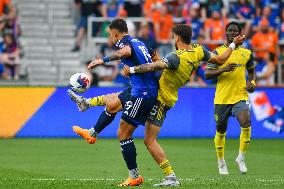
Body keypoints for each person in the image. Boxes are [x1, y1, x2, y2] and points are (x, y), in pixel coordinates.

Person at [68, 23, 245, 186]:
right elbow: (221, 59)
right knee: (115, 101)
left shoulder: (175, 57)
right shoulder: (199, 50)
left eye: (171, 36)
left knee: (147, 139)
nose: (170, 39)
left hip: (160, 98)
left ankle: (169, 177)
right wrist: (233, 45)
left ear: (176, 37)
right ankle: (89, 118)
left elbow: (154, 66)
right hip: (158, 90)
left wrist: (131, 69)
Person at [71, 18, 160, 187]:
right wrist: (141, 72)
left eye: (110, 33)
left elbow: (124, 53)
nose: (110, 37)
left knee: (123, 134)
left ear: (115, 32)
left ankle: (134, 176)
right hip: (140, 88)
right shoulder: (139, 42)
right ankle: (91, 131)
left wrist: (101, 60)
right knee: (112, 104)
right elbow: (156, 56)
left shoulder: (124, 42)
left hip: (142, 94)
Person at [205, 21, 255, 175]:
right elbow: (207, 75)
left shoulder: (247, 53)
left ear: (240, 34)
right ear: (226, 33)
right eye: (230, 30)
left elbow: (252, 71)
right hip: (222, 98)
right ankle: (221, 162)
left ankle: (241, 158)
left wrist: (252, 82)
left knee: (246, 123)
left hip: (240, 95)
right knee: (221, 130)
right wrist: (224, 69)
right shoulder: (218, 52)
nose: (233, 33)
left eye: (235, 31)